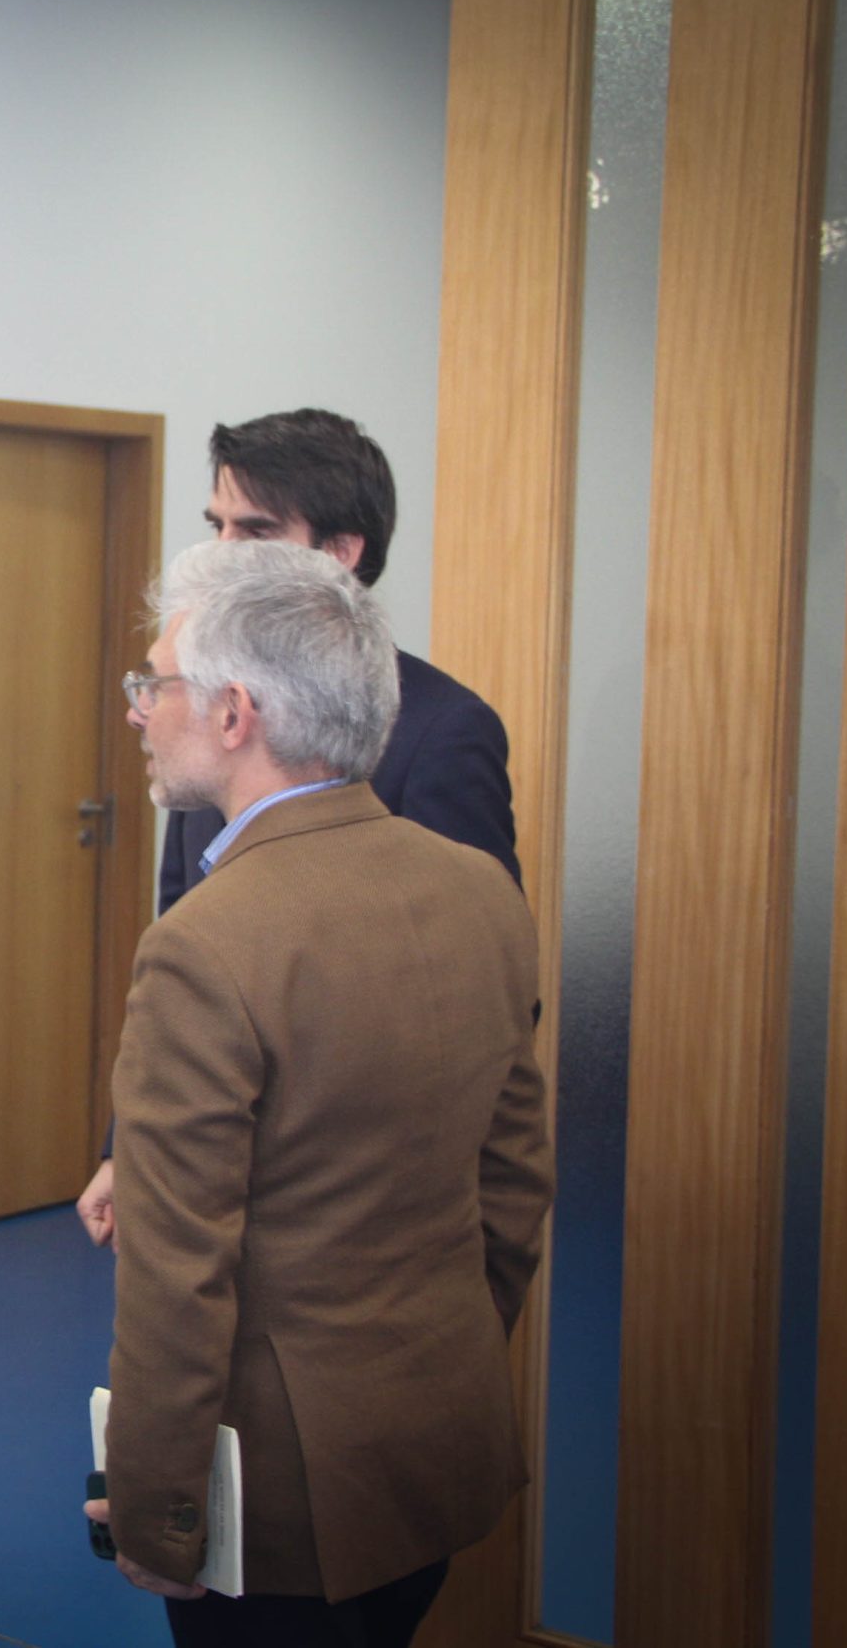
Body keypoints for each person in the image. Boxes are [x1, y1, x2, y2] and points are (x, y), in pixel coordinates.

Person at [82, 540, 553, 1647]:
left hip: (283, 1505)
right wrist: (444, 1348)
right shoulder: (478, 891)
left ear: (233, 712)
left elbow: (177, 1279)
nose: (139, 711)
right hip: (434, 1449)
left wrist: (157, 1512)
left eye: (156, 683)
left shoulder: (206, 944)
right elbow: (513, 1182)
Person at [78, 407, 518, 1246]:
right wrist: (130, 1144)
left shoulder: (441, 728)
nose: (221, 552)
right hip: (206, 1155)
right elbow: (179, 960)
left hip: (359, 1204)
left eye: (255, 530)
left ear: (340, 552)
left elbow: (483, 982)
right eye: (216, 524)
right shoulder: (201, 718)